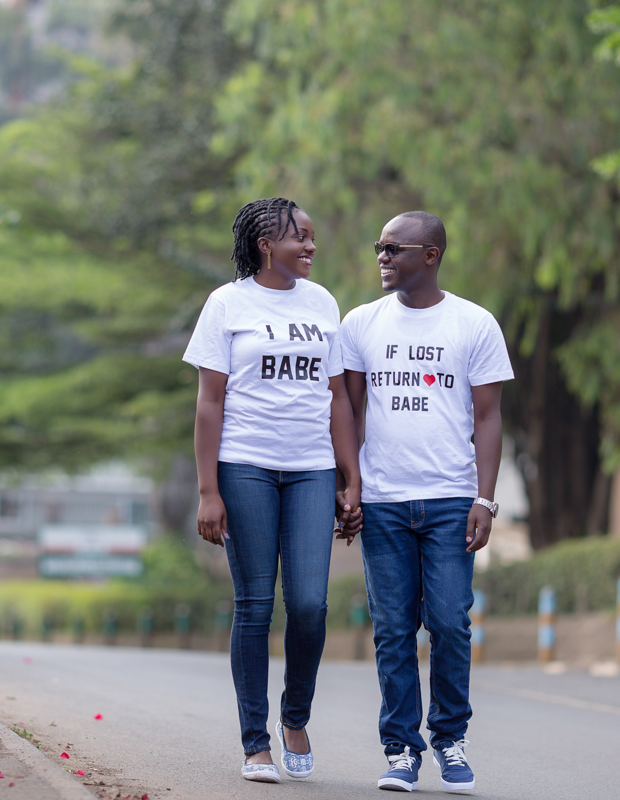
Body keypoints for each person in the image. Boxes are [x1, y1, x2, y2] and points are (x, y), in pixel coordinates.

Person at [184, 197, 362, 784]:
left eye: (312, 238)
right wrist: (209, 490)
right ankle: (254, 743)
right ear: (266, 243)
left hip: (310, 467)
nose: (311, 247)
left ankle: (295, 717)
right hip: (245, 466)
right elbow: (210, 402)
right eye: (300, 237)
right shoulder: (227, 303)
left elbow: (337, 395)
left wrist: (349, 473)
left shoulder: (322, 302)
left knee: (309, 605)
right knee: (256, 605)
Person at [340, 211, 513, 793]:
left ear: (431, 254)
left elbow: (488, 417)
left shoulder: (474, 323)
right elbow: (350, 411)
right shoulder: (360, 322)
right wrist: (351, 485)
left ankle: (450, 739)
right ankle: (400, 750)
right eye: (378, 248)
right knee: (392, 630)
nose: (382, 257)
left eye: (394, 248)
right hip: (385, 500)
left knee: (448, 623)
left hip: (449, 499)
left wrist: (485, 499)